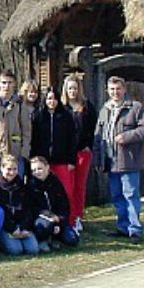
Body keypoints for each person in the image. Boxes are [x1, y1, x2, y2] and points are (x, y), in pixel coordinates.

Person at [94, 76, 144, 244]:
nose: (115, 92)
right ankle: (123, 227)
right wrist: (98, 159)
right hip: (110, 160)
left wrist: (126, 136)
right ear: (107, 91)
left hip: (128, 160)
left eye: (118, 89)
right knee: (117, 196)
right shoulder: (104, 109)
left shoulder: (135, 107)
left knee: (131, 195)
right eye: (112, 89)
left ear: (124, 90)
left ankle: (135, 230)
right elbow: (97, 136)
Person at [30, 86, 77, 222]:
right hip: (43, 160)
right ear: (45, 100)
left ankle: (69, 221)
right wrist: (33, 159)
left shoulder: (66, 116)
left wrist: (71, 161)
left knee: (66, 191)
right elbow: (34, 139)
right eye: (49, 98)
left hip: (62, 160)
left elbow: (72, 139)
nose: (52, 101)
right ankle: (45, 220)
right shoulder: (38, 115)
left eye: (55, 98)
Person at [62, 74, 97, 232]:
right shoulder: (61, 107)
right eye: (70, 88)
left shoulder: (87, 107)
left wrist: (89, 146)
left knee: (80, 186)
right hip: (65, 154)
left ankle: (77, 217)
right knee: (67, 186)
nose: (72, 91)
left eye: (75, 88)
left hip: (83, 153)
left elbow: (95, 128)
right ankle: (67, 216)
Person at [0, 70, 32, 179]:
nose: (7, 86)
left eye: (10, 82)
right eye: (4, 82)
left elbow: (26, 130)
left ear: (14, 84)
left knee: (18, 188)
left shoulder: (19, 104)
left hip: (16, 154)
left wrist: (24, 152)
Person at [0, 155, 38, 257]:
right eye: (8, 169)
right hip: (4, 225)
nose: (12, 172)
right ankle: (1, 242)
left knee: (33, 249)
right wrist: (12, 229)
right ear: (1, 168)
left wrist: (23, 227)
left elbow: (27, 208)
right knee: (16, 250)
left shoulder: (21, 185)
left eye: (15, 169)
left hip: (21, 225)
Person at [28, 156, 79, 252]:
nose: (37, 172)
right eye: (34, 170)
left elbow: (64, 204)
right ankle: (42, 239)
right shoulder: (30, 186)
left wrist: (59, 219)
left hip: (58, 219)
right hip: (42, 220)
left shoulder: (55, 182)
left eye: (39, 168)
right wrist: (49, 216)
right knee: (44, 226)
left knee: (73, 240)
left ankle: (56, 238)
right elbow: (32, 208)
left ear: (47, 167)